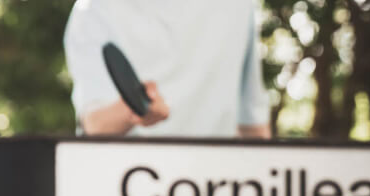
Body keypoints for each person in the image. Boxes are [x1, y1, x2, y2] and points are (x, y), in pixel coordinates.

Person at [64, 0, 271, 138]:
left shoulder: (239, 5)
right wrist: (137, 108)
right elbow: (97, 124)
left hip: (216, 186)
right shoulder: (96, 8)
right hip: (131, 186)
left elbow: (253, 125)